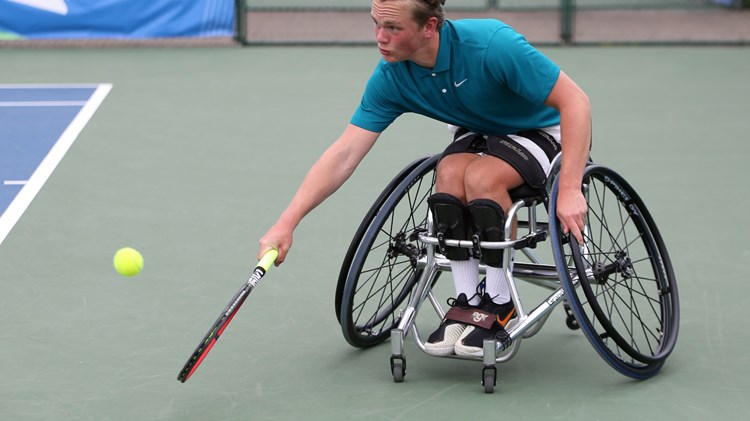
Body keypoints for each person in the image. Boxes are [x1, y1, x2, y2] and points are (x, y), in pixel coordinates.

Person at [258, 0, 590, 357]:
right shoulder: (392, 75)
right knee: (446, 173)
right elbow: (344, 154)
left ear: (429, 27)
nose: (380, 38)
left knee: (480, 177)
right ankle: (466, 300)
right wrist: (286, 222)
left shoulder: (491, 45)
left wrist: (570, 188)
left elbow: (576, 102)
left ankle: (499, 301)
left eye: (393, 28)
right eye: (375, 24)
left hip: (542, 128)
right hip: (479, 131)